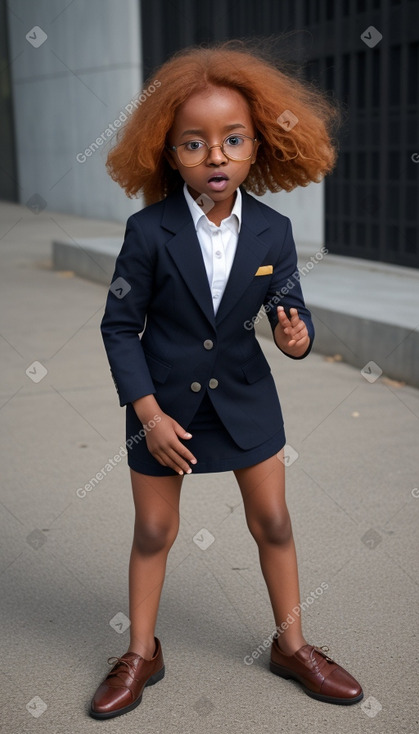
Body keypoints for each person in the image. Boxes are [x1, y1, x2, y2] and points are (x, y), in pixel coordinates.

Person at [89, 41, 363, 719]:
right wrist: (147, 414)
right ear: (167, 152)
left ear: (258, 144)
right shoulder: (147, 232)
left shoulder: (272, 231)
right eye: (193, 143)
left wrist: (295, 334)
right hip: (162, 406)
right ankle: (140, 652)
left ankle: (292, 645)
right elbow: (119, 327)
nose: (214, 155)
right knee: (153, 531)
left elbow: (287, 307)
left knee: (272, 519)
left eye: (231, 139)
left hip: (244, 398)